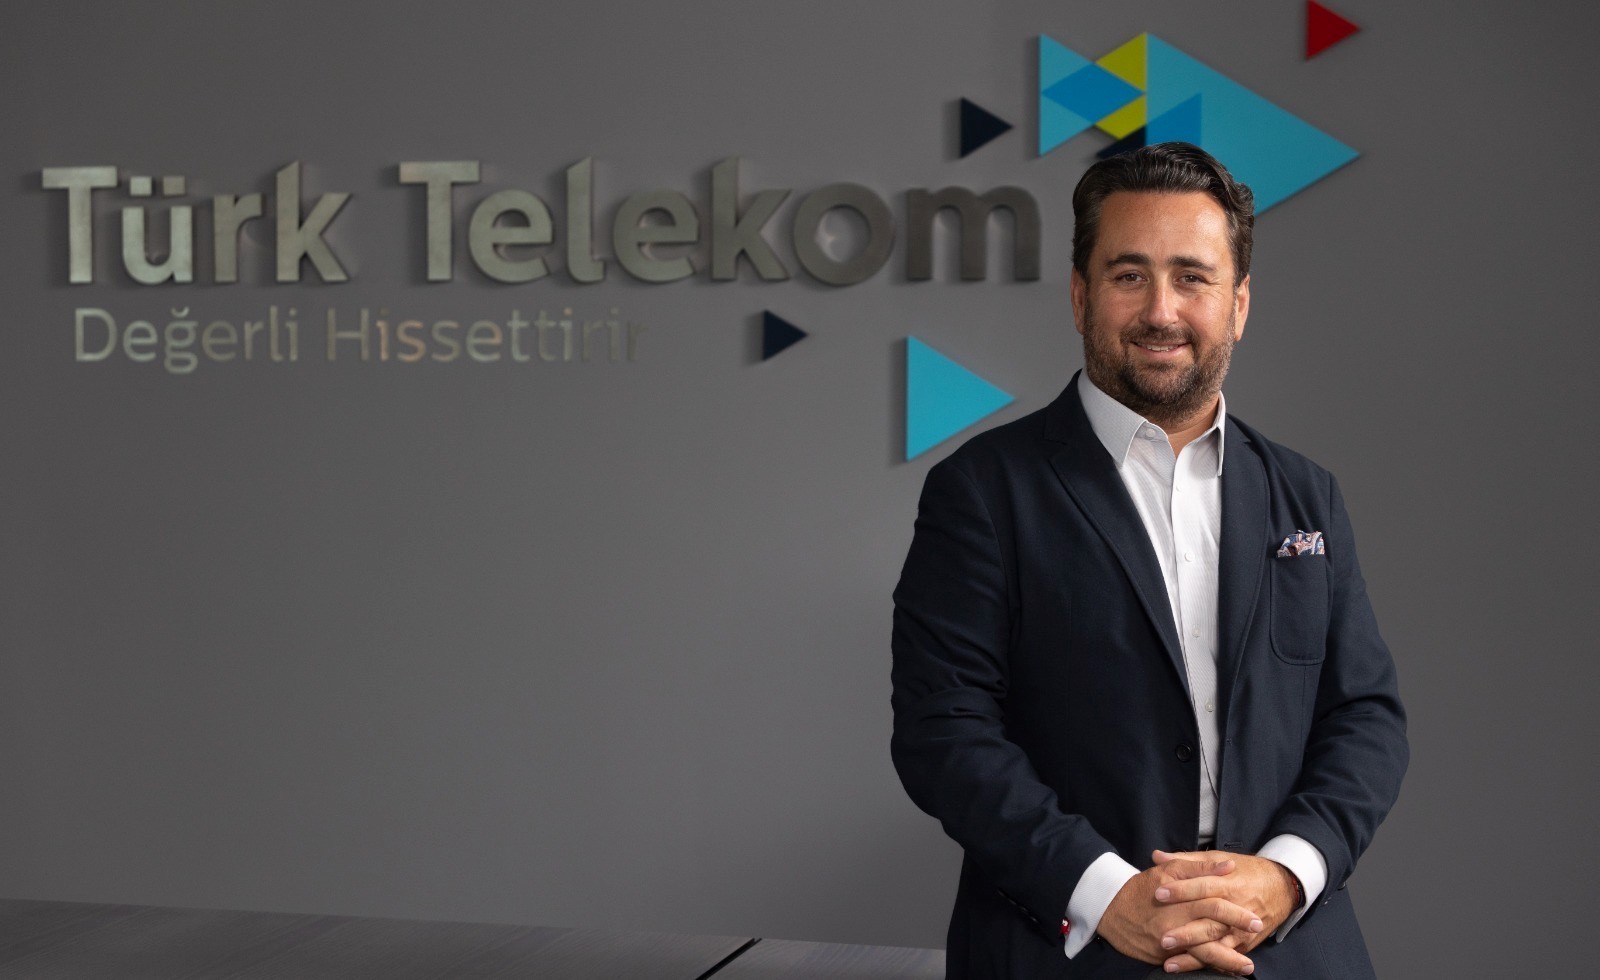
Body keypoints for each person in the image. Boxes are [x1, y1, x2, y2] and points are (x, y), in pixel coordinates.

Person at [889, 142, 1407, 979]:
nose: (1161, 310)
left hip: (1286, 945)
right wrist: (1108, 895)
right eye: (1129, 275)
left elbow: (1366, 717)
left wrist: (1284, 876)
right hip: (1070, 947)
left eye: (1192, 277)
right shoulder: (982, 491)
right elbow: (944, 728)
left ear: (1238, 305)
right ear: (1080, 295)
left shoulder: (1307, 495)